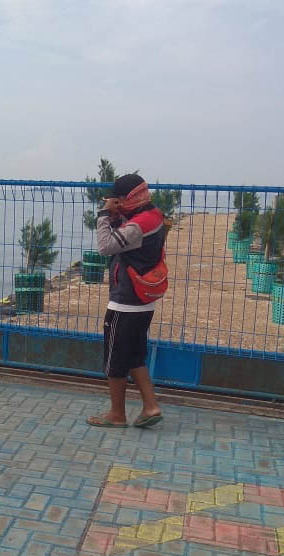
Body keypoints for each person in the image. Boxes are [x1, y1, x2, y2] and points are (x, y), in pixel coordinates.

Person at [87, 174, 164, 429]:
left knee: (115, 360)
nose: (114, 202)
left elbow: (106, 246)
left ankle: (117, 414)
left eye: (118, 199)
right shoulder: (152, 215)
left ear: (127, 199)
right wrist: (117, 214)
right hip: (143, 301)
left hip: (126, 302)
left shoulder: (139, 224)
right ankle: (150, 406)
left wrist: (102, 215)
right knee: (135, 357)